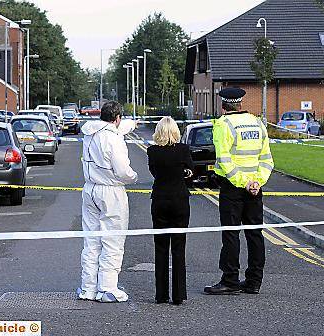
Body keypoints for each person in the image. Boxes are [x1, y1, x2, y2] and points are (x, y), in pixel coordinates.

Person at [204, 87, 274, 295]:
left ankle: (230, 280)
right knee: (255, 234)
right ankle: (253, 282)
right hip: (254, 188)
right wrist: (256, 182)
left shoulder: (223, 124)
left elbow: (225, 161)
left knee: (231, 234)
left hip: (233, 188)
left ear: (223, 104)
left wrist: (243, 182)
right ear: (240, 103)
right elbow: (267, 159)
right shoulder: (258, 122)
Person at [77, 101, 138, 303]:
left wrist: (131, 125)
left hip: (90, 189)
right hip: (111, 191)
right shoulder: (113, 139)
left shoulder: (90, 132)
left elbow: (123, 127)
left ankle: (88, 288)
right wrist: (134, 177)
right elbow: (123, 171)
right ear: (117, 118)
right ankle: (107, 288)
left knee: (92, 241)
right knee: (113, 240)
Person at [147, 117, 193, 305]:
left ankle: (161, 294)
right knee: (179, 248)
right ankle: (178, 294)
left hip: (160, 200)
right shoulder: (183, 150)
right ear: (175, 131)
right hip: (180, 200)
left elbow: (155, 173)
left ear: (158, 132)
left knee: (161, 248)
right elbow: (190, 172)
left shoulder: (152, 151)